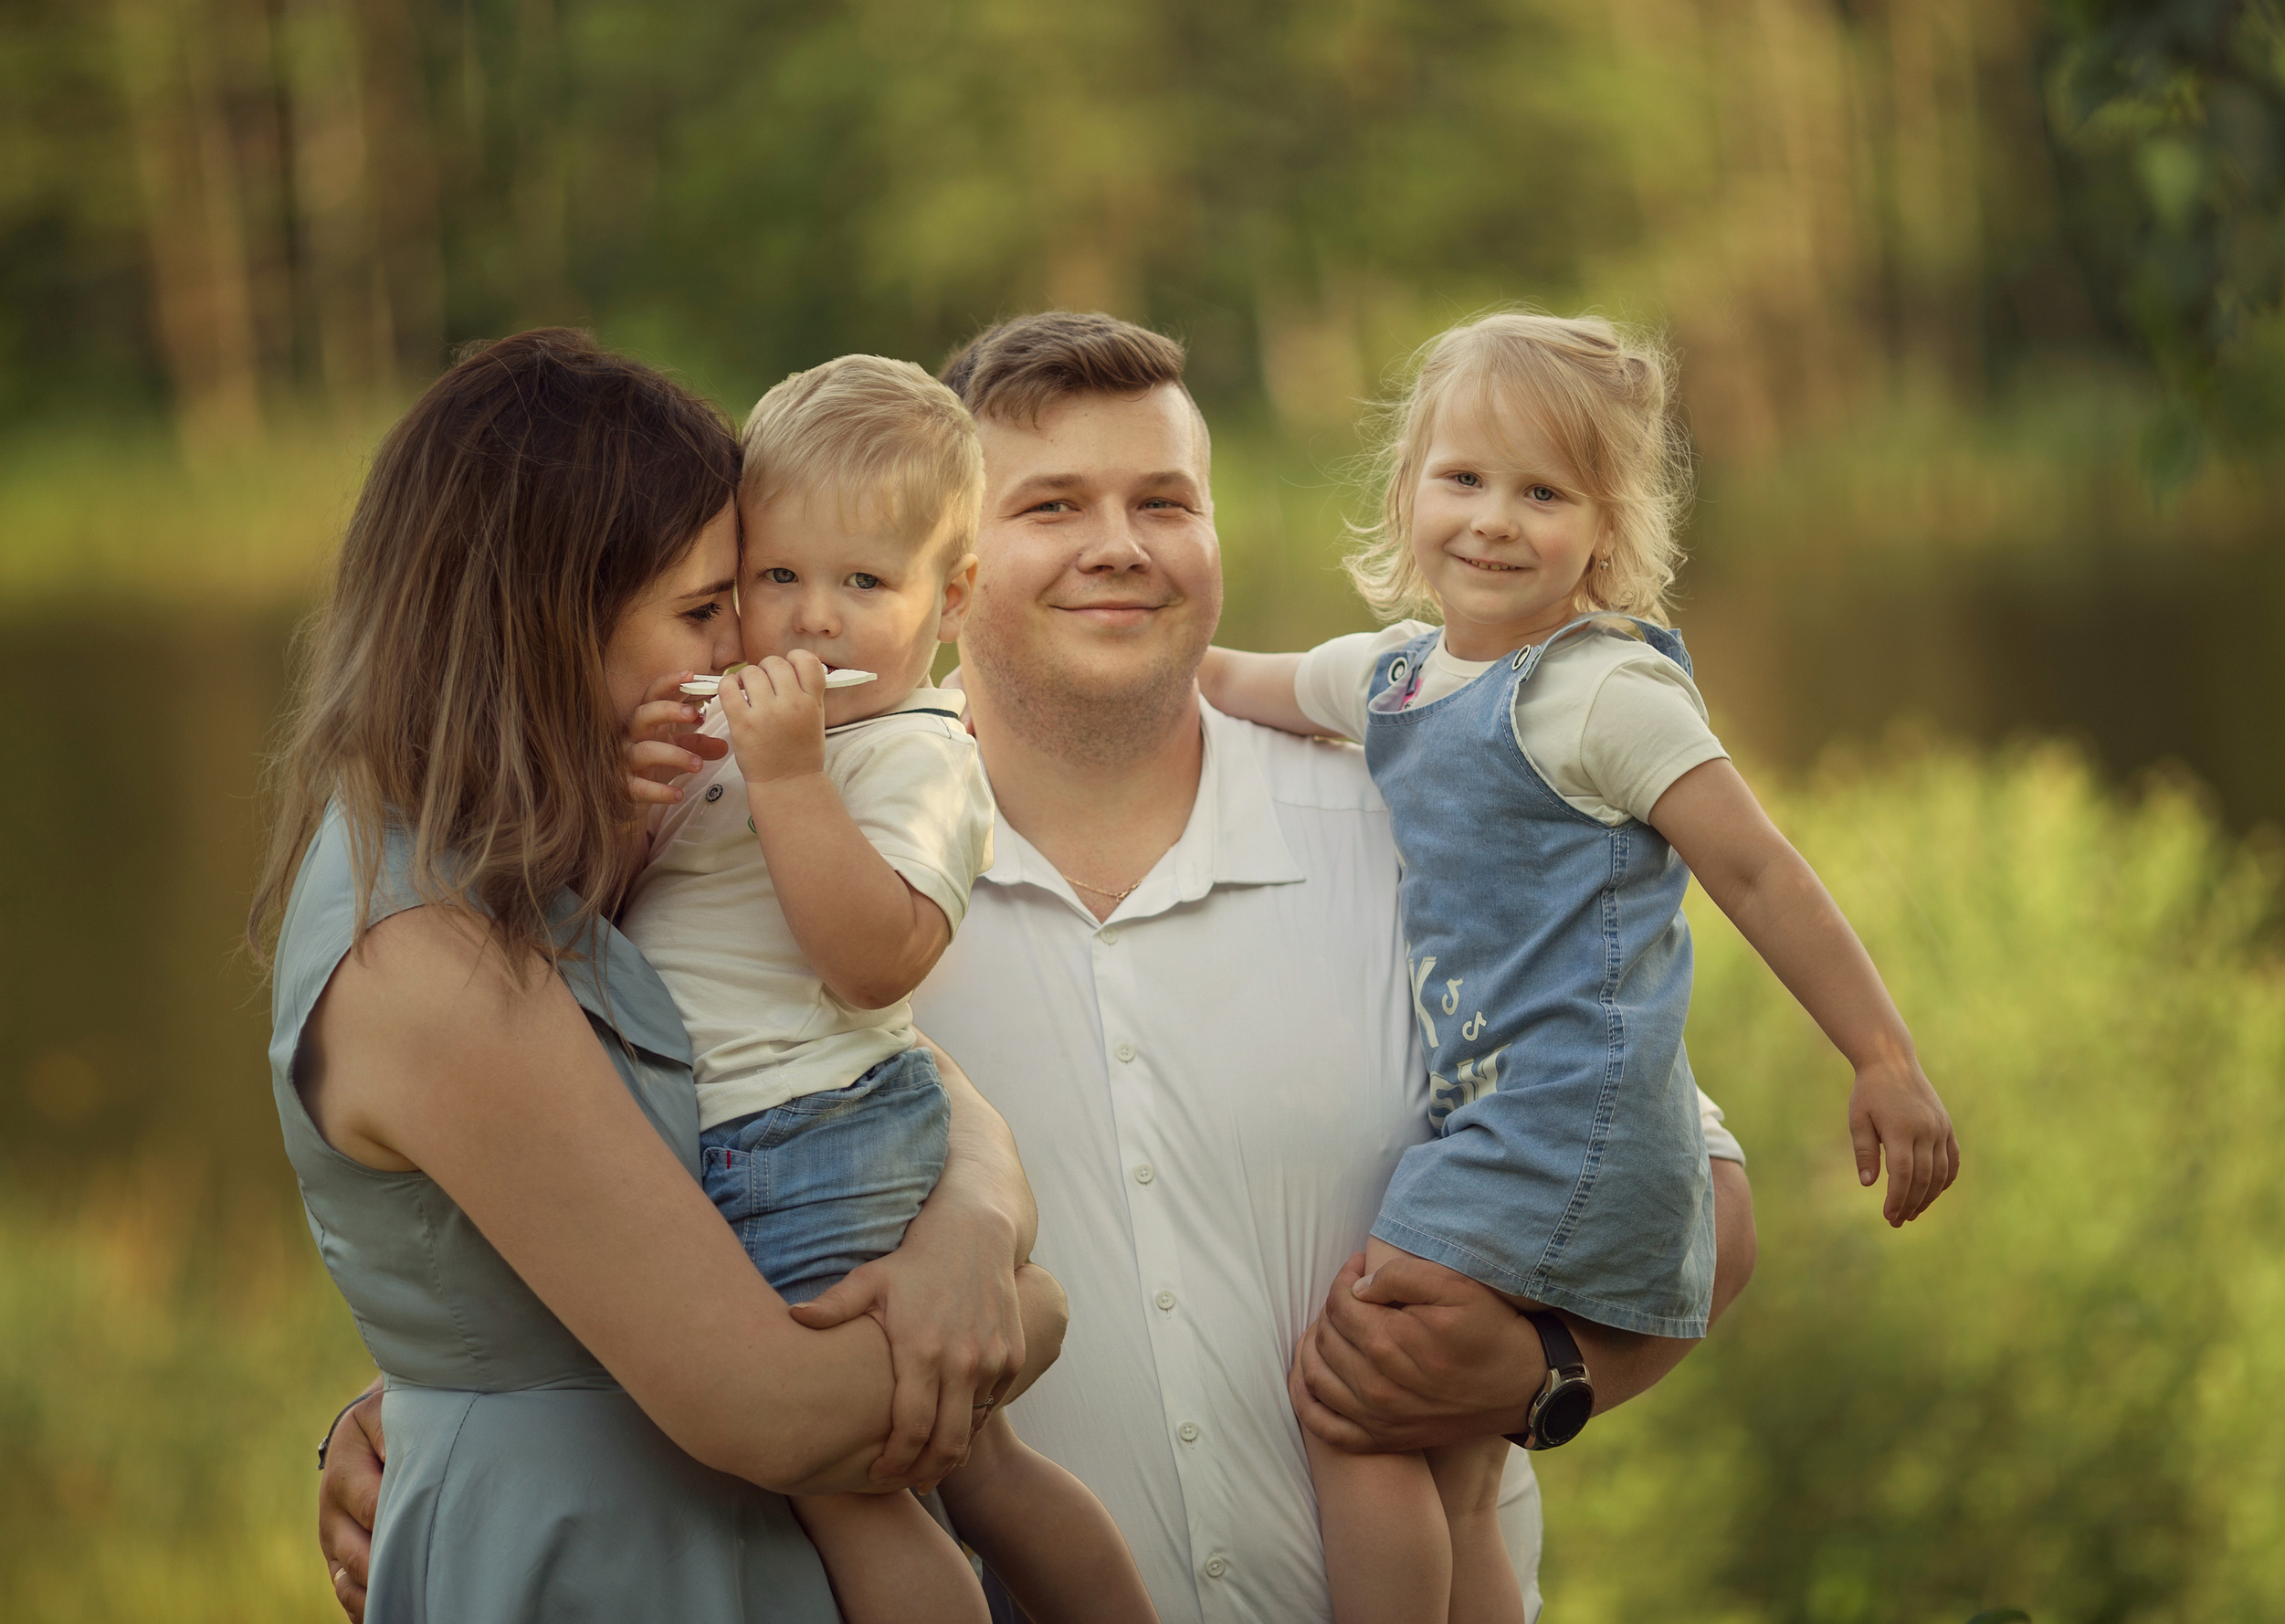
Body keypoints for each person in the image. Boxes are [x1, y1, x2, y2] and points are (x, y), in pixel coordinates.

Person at [319, 312, 1763, 1623]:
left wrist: (1546, 1373)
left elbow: (1688, 1194)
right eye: (1052, 506)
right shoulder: (752, 854)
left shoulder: (1421, 814)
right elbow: (607, 1182)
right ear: (955, 570)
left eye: (1164, 502)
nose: (1118, 544)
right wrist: (434, 1406)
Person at [261, 328, 1067, 1623]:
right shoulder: (424, 951)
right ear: (549, 615)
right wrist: (1031, 1318)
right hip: (605, 1561)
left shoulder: (546, 848)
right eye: (710, 607)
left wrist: (970, 1220)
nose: (741, 646)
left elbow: (835, 1052)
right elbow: (768, 1401)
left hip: (721, 1534)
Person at [1199, 311, 1961, 1623]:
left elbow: (1761, 870)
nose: (1495, 520)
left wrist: (1882, 1055)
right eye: (1465, 480)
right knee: (1454, 1463)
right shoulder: (1391, 676)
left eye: (1542, 492)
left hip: (1572, 1127)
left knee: (1361, 1390)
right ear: (1410, 490)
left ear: (1603, 530)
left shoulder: (1597, 694)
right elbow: (1221, 678)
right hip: (1514, 1118)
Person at [622, 354, 1155, 1624]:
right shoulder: (754, 737)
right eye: (777, 577)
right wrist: (632, 786)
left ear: (953, 596)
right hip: (745, 1133)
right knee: (976, 1469)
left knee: (849, 1485)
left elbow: (873, 959)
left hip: (805, 1141)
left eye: (863, 582)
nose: (811, 619)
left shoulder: (914, 754)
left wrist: (791, 780)